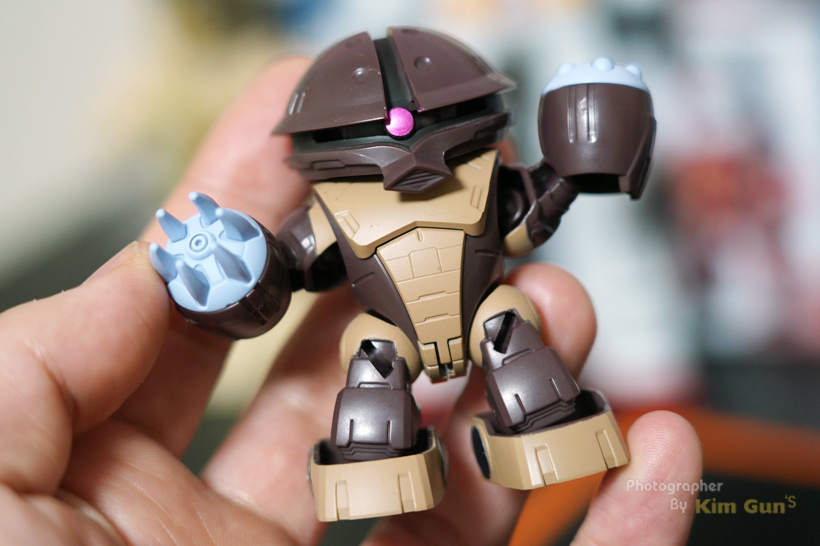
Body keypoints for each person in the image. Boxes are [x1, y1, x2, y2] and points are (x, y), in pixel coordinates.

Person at [0, 58, 701, 545]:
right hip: (390, 329)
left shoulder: (487, 180)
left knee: (512, 331)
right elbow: (287, 271)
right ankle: (373, 459)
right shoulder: (333, 211)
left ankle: (547, 430)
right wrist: (230, 271)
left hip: (483, 309)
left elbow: (536, 208)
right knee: (371, 363)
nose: (401, 131)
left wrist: (582, 152)